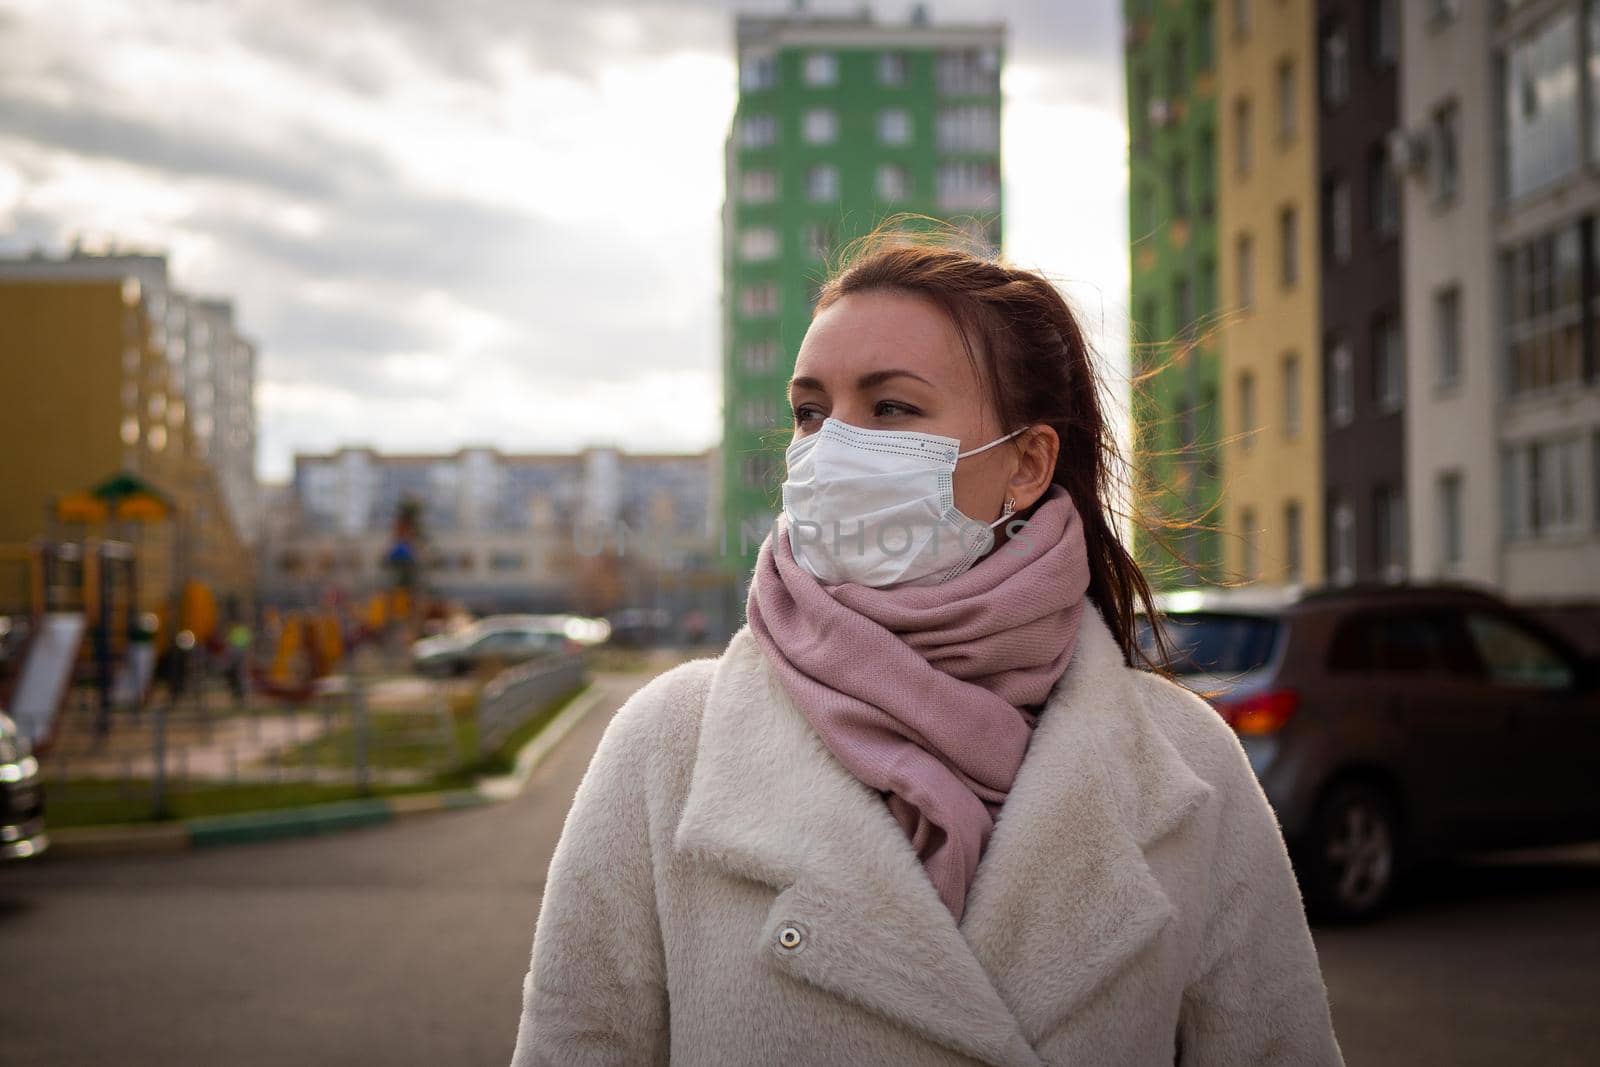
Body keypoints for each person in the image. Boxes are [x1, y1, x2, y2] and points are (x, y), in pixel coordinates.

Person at [510, 234, 1344, 1066]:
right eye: (810, 410)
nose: (829, 447)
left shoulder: (1187, 764)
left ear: (1026, 463)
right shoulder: (667, 746)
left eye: (891, 408)